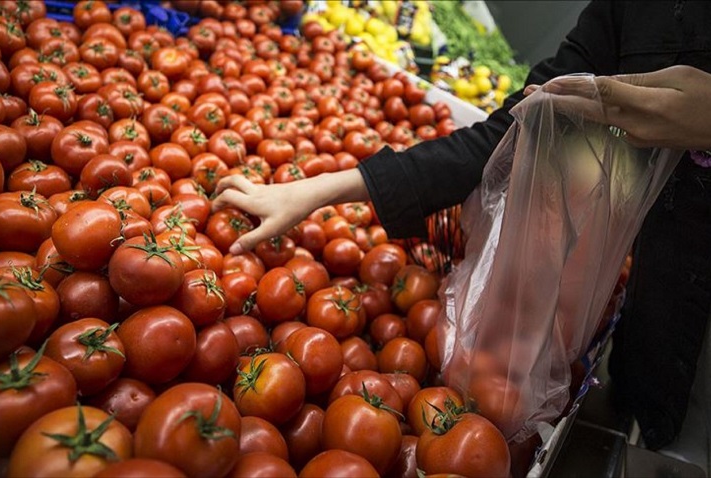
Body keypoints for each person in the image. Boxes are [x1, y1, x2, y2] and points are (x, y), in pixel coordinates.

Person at [212, 0, 711, 464]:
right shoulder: (633, 8)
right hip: (654, 311)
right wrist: (318, 190)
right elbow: (505, 134)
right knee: (646, 424)